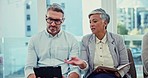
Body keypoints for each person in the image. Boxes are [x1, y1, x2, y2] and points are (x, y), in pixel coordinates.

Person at [65, 8, 130, 78]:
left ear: (105, 23)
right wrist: (82, 64)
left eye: (95, 21)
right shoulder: (86, 40)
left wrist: (119, 74)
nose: (91, 25)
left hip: (115, 76)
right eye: (90, 22)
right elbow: (85, 68)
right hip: (94, 75)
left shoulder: (118, 39)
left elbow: (125, 64)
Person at [24, 3, 80, 78]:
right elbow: (29, 68)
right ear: (45, 18)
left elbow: (75, 69)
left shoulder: (72, 40)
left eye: (57, 21)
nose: (53, 24)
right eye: (50, 19)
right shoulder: (34, 40)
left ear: (62, 20)